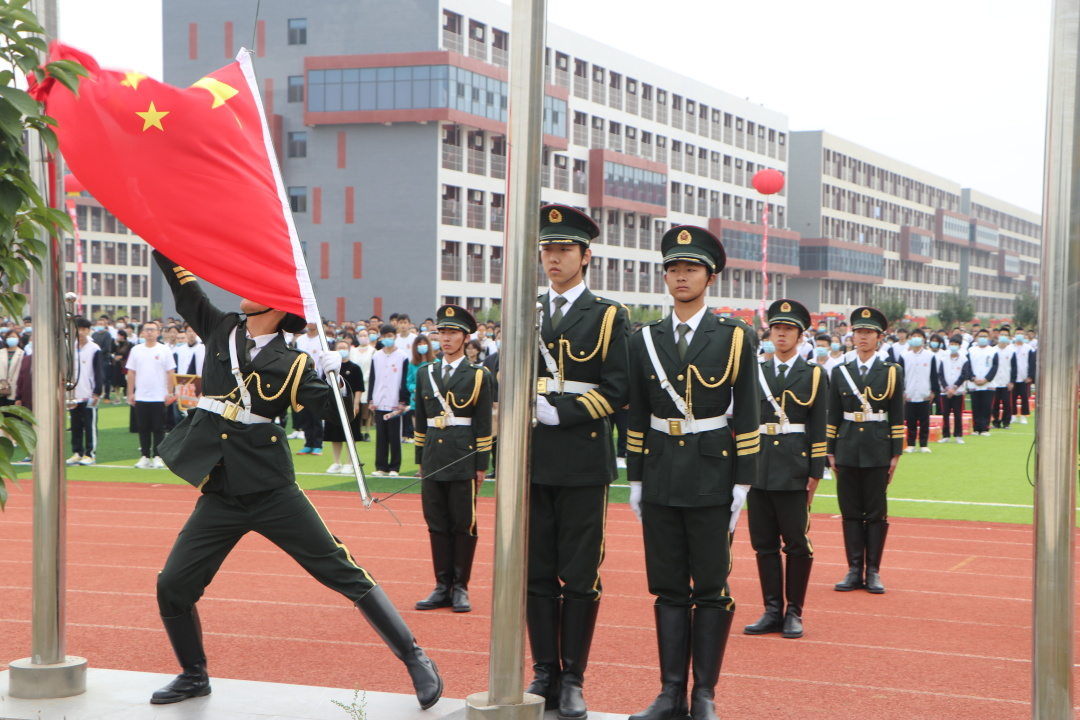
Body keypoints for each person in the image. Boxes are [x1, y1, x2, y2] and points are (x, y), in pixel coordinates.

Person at [148, 252, 441, 709]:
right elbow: (187, 290)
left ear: (278, 307)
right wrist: (163, 243)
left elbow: (338, 419)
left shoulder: (298, 364)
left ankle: (416, 658)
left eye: (258, 287)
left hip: (270, 489)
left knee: (341, 570)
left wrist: (338, 380)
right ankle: (193, 674)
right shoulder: (222, 327)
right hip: (222, 490)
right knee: (173, 583)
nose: (244, 289)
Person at [626, 225, 759, 720]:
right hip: (660, 472)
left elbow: (747, 412)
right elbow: (636, 413)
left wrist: (743, 480)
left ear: (711, 276)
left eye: (691, 269)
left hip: (711, 475)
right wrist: (635, 477)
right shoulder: (645, 339)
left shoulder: (734, 336)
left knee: (710, 587)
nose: (680, 277)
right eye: (673, 269)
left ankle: (703, 695)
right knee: (665, 586)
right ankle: (669, 694)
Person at [527, 204, 630, 720]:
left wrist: (562, 412)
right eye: (547, 249)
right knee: (535, 571)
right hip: (534, 460)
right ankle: (544, 670)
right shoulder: (527, 309)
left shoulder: (609, 315)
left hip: (584, 459)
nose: (553, 258)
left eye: (564, 249)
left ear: (586, 256)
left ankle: (573, 678)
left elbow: (617, 388)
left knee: (580, 574)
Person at [743, 299, 826, 641]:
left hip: (794, 465)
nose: (781, 334)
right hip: (759, 465)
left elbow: (819, 424)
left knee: (796, 542)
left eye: (788, 329)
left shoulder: (814, 374)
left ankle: (794, 611)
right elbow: (747, 422)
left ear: (800, 335)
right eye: (776, 328)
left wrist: (816, 471)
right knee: (763, 543)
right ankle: (772, 609)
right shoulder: (755, 372)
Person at [413, 304, 493, 614]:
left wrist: (481, 465)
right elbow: (421, 421)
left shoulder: (478, 375)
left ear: (465, 337)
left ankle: (460, 586)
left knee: (463, 522)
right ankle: (440, 585)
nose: (445, 339)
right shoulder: (425, 373)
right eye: (442, 332)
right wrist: (421, 458)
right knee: (436, 522)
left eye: (452, 333)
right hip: (434, 454)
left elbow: (484, 423)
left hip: (463, 455)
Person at [827, 307, 904, 595]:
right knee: (849, 511)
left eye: (868, 332)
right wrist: (831, 451)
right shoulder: (840, 372)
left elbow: (897, 414)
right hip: (846, 447)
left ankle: (872, 571)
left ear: (879, 338)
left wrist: (895, 453)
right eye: (858, 332)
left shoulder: (892, 372)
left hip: (877, 448)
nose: (862, 337)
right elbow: (832, 414)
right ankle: (852, 568)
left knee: (875, 512)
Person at [126, 319, 176, 469]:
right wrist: (130, 392)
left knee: (159, 428)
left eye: (152, 329)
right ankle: (145, 456)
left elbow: (171, 372)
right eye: (146, 329)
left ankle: (158, 456)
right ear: (142, 332)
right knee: (143, 428)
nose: (149, 332)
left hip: (159, 396)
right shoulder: (136, 350)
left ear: (158, 333)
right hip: (141, 395)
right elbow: (131, 372)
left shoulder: (164, 350)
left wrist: (169, 392)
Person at [368, 323, 410, 477]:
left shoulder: (403, 356)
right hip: (379, 401)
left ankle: (394, 467)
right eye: (384, 336)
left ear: (395, 336)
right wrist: (371, 399)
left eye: (390, 336)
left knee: (394, 436)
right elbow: (373, 378)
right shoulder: (377, 355)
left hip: (395, 403)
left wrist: (403, 401)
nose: (387, 339)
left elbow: (405, 379)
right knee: (381, 436)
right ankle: (381, 466)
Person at [67, 317, 105, 466]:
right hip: (73, 393)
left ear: (88, 330)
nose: (81, 332)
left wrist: (97, 392)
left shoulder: (94, 348)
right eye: (78, 329)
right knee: (75, 425)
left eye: (84, 329)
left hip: (89, 393)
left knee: (90, 426)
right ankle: (77, 452)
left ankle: (90, 454)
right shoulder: (69, 347)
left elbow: (99, 372)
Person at [324, 340, 365, 474]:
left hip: (349, 405)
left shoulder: (355, 368)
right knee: (335, 435)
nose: (342, 349)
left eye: (344, 347)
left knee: (350, 434)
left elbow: (359, 388)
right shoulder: (330, 368)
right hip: (334, 405)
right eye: (339, 347)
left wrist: (356, 403)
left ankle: (349, 462)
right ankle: (337, 462)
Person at [896, 329, 938, 453]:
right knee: (910, 420)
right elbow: (900, 376)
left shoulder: (930, 356)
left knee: (925, 420)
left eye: (918, 336)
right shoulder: (904, 356)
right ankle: (911, 444)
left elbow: (933, 375)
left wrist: (933, 391)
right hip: (909, 392)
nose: (916, 338)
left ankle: (924, 444)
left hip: (925, 391)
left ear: (924, 340)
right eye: (913, 336)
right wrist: (901, 391)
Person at [293, 323, 327, 454]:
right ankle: (308, 443)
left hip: (317, 381)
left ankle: (318, 444)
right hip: (302, 382)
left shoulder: (322, 340)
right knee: (304, 414)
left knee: (316, 414)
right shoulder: (300, 340)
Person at [937, 336, 971, 444]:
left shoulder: (964, 359)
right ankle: (945, 435)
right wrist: (947, 388)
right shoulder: (943, 359)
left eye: (956, 344)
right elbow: (941, 375)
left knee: (957, 414)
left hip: (958, 391)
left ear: (960, 346)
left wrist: (954, 388)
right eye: (952, 344)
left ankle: (958, 435)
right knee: (945, 413)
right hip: (945, 392)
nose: (953, 346)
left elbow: (963, 375)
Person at [967, 329, 998, 436]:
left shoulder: (993, 351)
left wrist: (986, 379)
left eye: (985, 336)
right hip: (974, 384)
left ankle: (985, 428)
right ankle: (976, 428)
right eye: (980, 336)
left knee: (986, 407)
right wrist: (973, 378)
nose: (982, 339)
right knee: (976, 407)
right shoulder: (971, 351)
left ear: (989, 338)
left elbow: (995, 367)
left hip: (988, 384)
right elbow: (968, 366)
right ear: (976, 338)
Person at [350, 332, 376, 441]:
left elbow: (372, 367)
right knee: (357, 408)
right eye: (361, 335)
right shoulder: (353, 351)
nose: (363, 338)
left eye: (365, 335)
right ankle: (358, 431)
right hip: (356, 383)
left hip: (368, 382)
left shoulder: (373, 351)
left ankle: (367, 432)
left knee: (367, 409)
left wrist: (364, 378)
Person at [990, 331, 1015, 430]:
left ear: (1008, 338)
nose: (1003, 337)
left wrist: (1012, 381)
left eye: (1005, 335)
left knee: (1007, 403)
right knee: (995, 403)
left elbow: (1014, 367)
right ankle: (995, 422)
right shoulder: (992, 350)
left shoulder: (1011, 351)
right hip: (994, 381)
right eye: (1002, 335)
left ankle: (1006, 422)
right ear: (998, 336)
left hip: (1006, 381)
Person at [1010, 334, 1036, 424]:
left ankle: (1023, 416)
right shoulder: (1010, 347)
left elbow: (1032, 363)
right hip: (1013, 378)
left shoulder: (1028, 348)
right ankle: (1013, 415)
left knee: (1024, 398)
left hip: (1024, 378)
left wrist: (1030, 376)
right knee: (1012, 397)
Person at [0, 328, 25, 408]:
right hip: (1, 388)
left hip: (15, 389)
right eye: (9, 337)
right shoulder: (1, 352)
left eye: (14, 337)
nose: (11, 339)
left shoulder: (22, 354)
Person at [112, 328, 132, 402]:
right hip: (116, 365)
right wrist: (115, 343)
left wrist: (122, 356)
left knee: (126, 381)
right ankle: (117, 398)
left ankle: (128, 397)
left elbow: (128, 353)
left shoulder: (129, 344)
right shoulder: (116, 343)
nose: (117, 336)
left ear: (123, 336)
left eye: (119, 335)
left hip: (125, 364)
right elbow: (112, 350)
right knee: (116, 381)